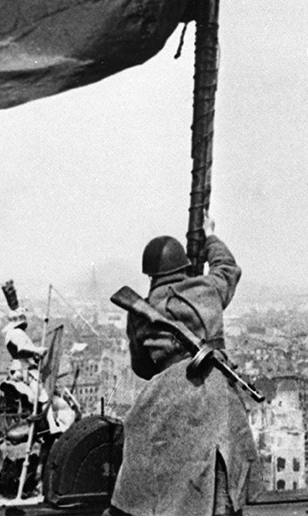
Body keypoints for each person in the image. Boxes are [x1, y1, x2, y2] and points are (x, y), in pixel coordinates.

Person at [109, 217, 257, 516]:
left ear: (151, 275)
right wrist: (211, 236)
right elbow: (227, 267)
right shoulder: (209, 289)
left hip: (164, 401)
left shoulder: (142, 311)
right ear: (184, 267)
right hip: (218, 401)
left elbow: (141, 368)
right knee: (220, 486)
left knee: (154, 488)